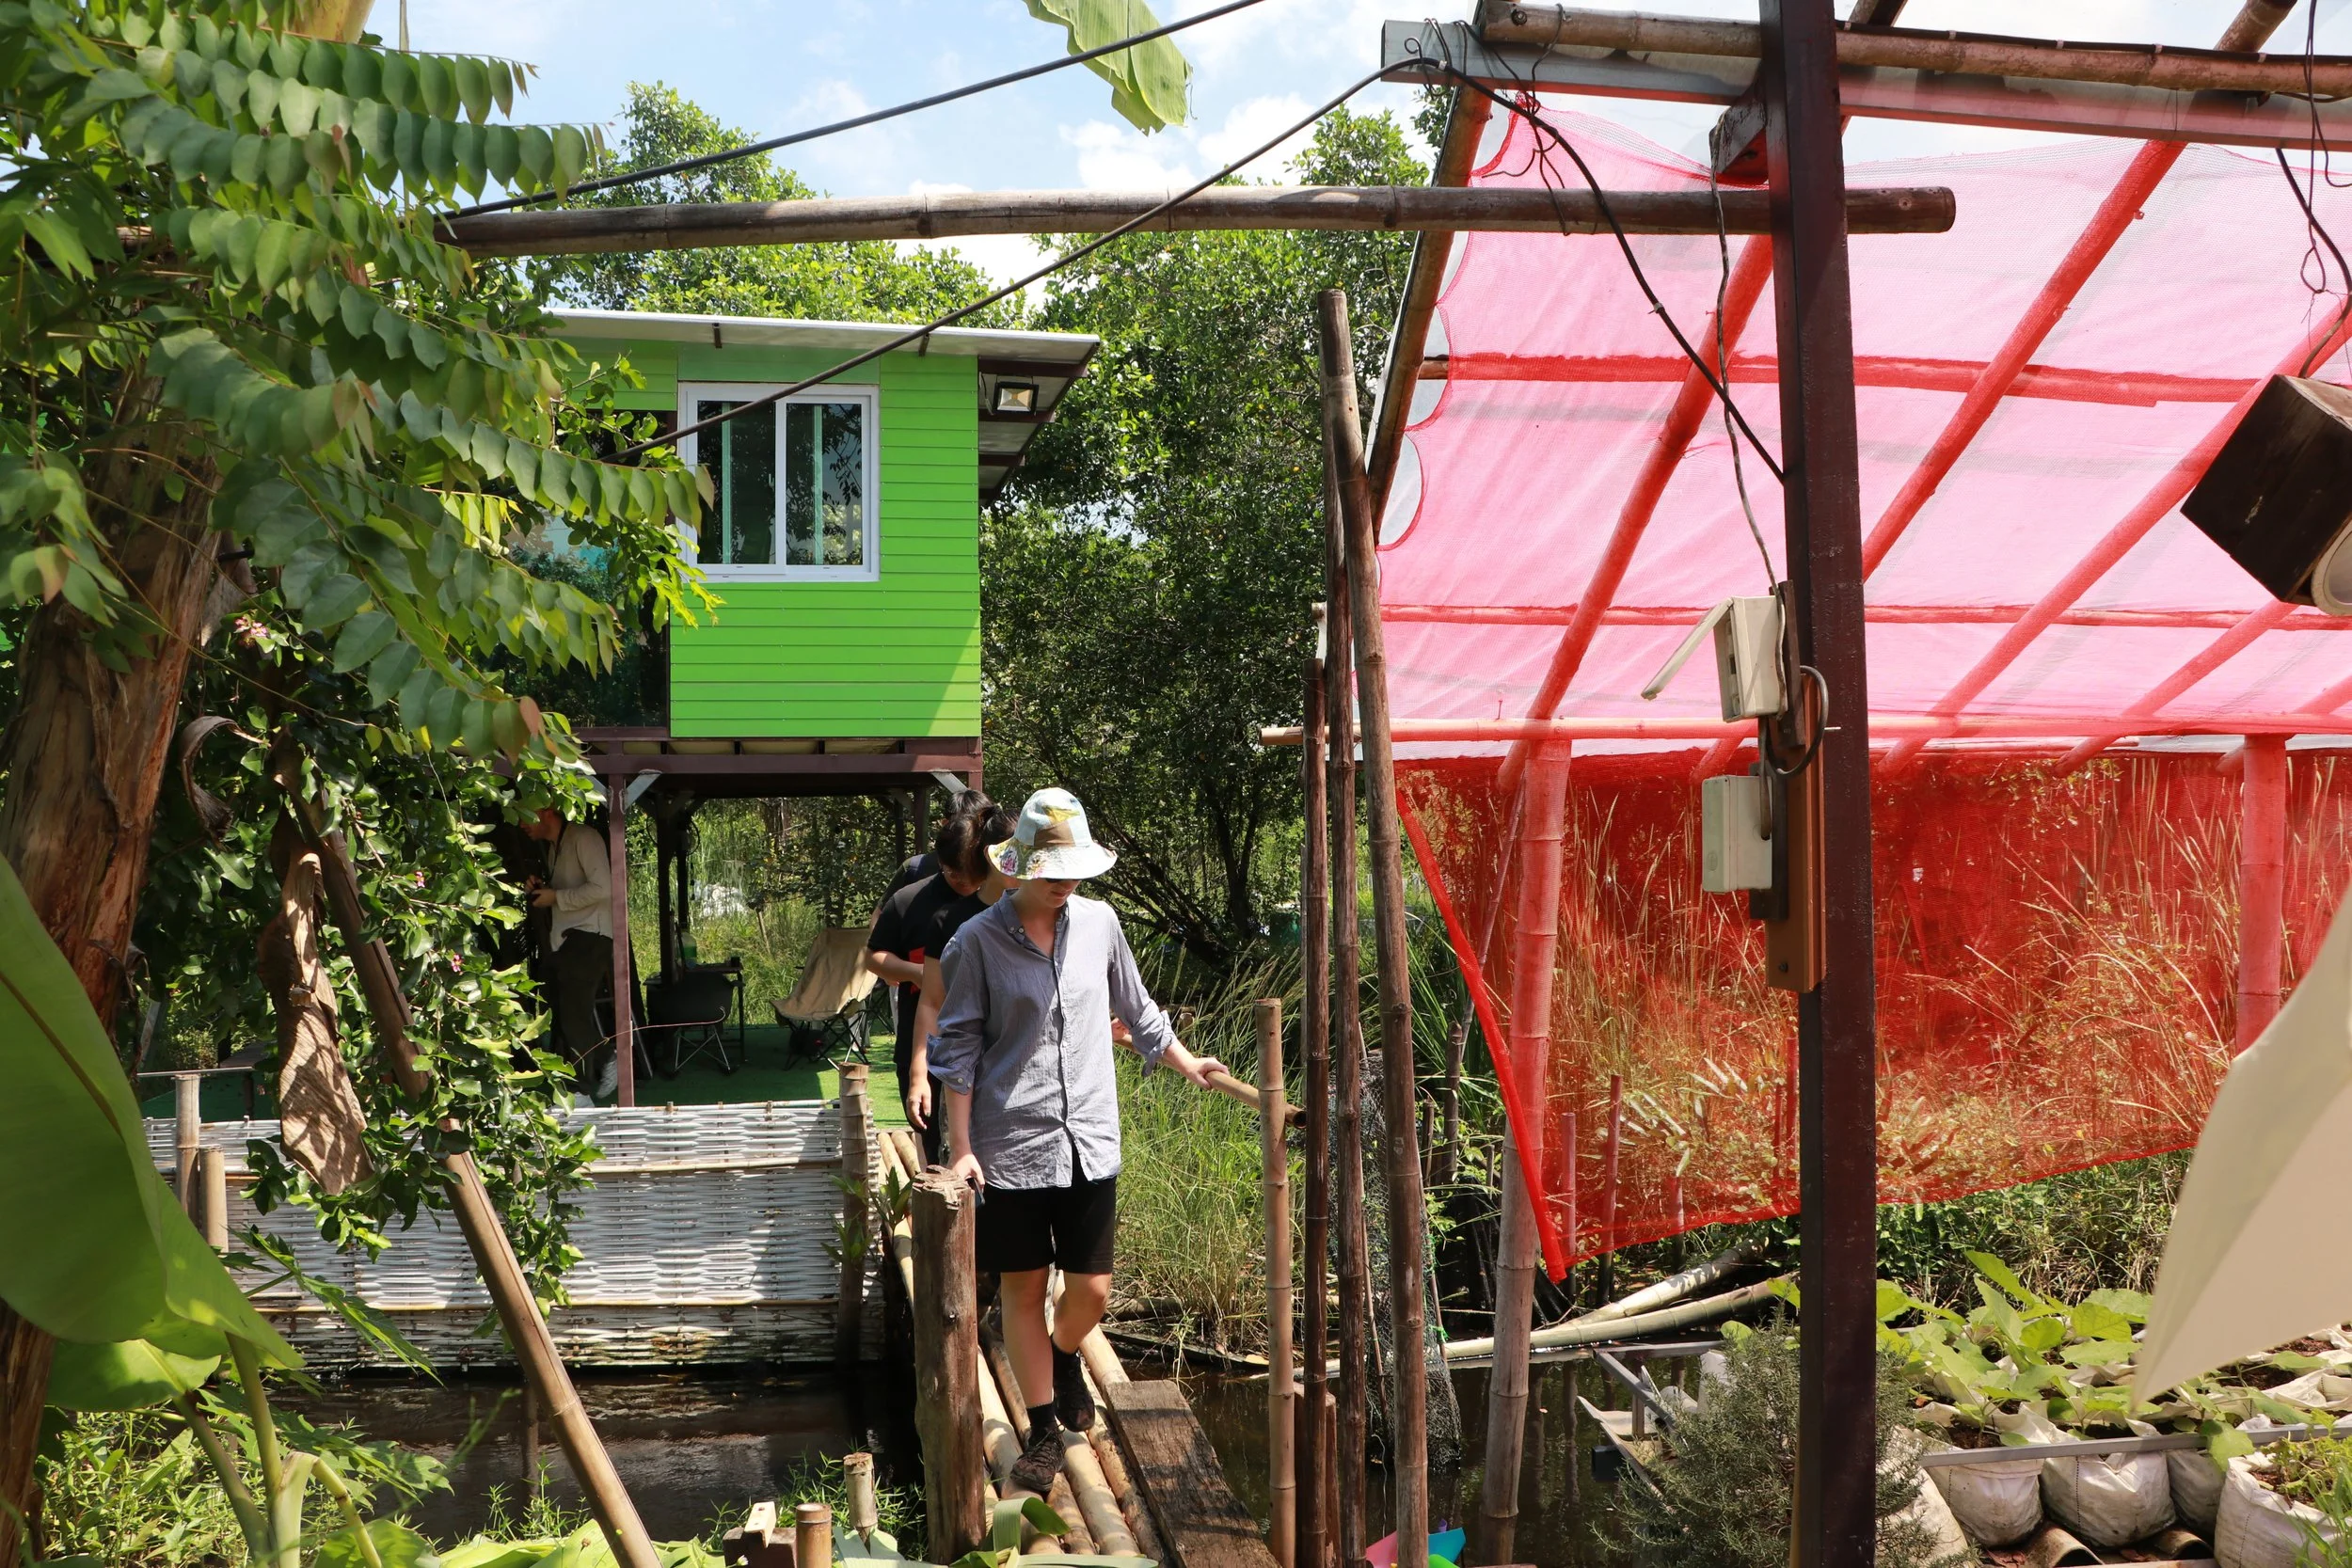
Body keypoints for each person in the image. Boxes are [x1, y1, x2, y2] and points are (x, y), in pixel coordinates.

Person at [930, 787, 1228, 1497]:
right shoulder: (974, 945)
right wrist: (961, 1145)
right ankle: (1040, 1435)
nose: (1066, 884)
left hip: (1090, 1139)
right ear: (1017, 866)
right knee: (1024, 1289)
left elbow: (1139, 1007)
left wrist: (1188, 1061)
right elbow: (958, 1051)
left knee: (1092, 1290)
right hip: (1010, 1145)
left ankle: (1067, 1356)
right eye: (1052, 871)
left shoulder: (1100, 924)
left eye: (1074, 871)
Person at [865, 804, 991, 1151]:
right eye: (955, 875)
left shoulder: (1000, 905)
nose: (965, 885)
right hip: (922, 1039)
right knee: (932, 1141)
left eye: (972, 876)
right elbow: (873, 956)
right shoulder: (910, 900)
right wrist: (921, 972)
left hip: (987, 1048)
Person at [522, 804, 617, 1099]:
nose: (522, 823)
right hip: (568, 939)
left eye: (525, 814)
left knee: (572, 1015)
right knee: (556, 1009)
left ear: (547, 811)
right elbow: (568, 890)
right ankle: (590, 1070)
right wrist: (543, 889)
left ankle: (585, 1085)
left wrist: (556, 897)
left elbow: (604, 888)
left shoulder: (584, 838)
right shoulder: (554, 846)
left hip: (591, 936)